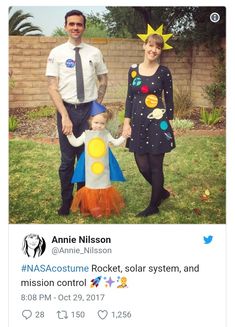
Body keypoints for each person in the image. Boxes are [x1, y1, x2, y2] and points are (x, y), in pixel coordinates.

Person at [45, 10, 108, 216]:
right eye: (71, 24)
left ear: (84, 27)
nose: (75, 27)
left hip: (87, 111)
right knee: (66, 161)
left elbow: (103, 80)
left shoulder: (94, 53)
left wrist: (95, 108)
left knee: (86, 159)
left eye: (79, 24)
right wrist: (64, 115)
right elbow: (52, 86)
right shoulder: (57, 53)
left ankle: (83, 201)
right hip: (67, 110)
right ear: (65, 26)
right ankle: (66, 201)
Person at [122, 27, 175, 217]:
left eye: (158, 47)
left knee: (155, 165)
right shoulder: (133, 71)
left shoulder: (163, 72)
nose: (153, 50)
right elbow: (129, 98)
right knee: (142, 164)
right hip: (137, 122)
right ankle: (161, 192)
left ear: (161, 50)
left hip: (156, 122)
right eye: (151, 45)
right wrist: (126, 123)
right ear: (144, 45)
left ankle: (154, 205)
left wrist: (168, 123)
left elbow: (169, 99)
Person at [67, 101, 126, 218]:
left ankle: (103, 205)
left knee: (104, 185)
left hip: (104, 167)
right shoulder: (86, 134)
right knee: (92, 186)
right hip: (91, 168)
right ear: (90, 121)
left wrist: (124, 136)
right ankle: (93, 207)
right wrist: (69, 134)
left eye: (102, 123)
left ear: (106, 124)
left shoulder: (106, 134)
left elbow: (116, 142)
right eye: (96, 122)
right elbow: (75, 143)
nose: (99, 125)